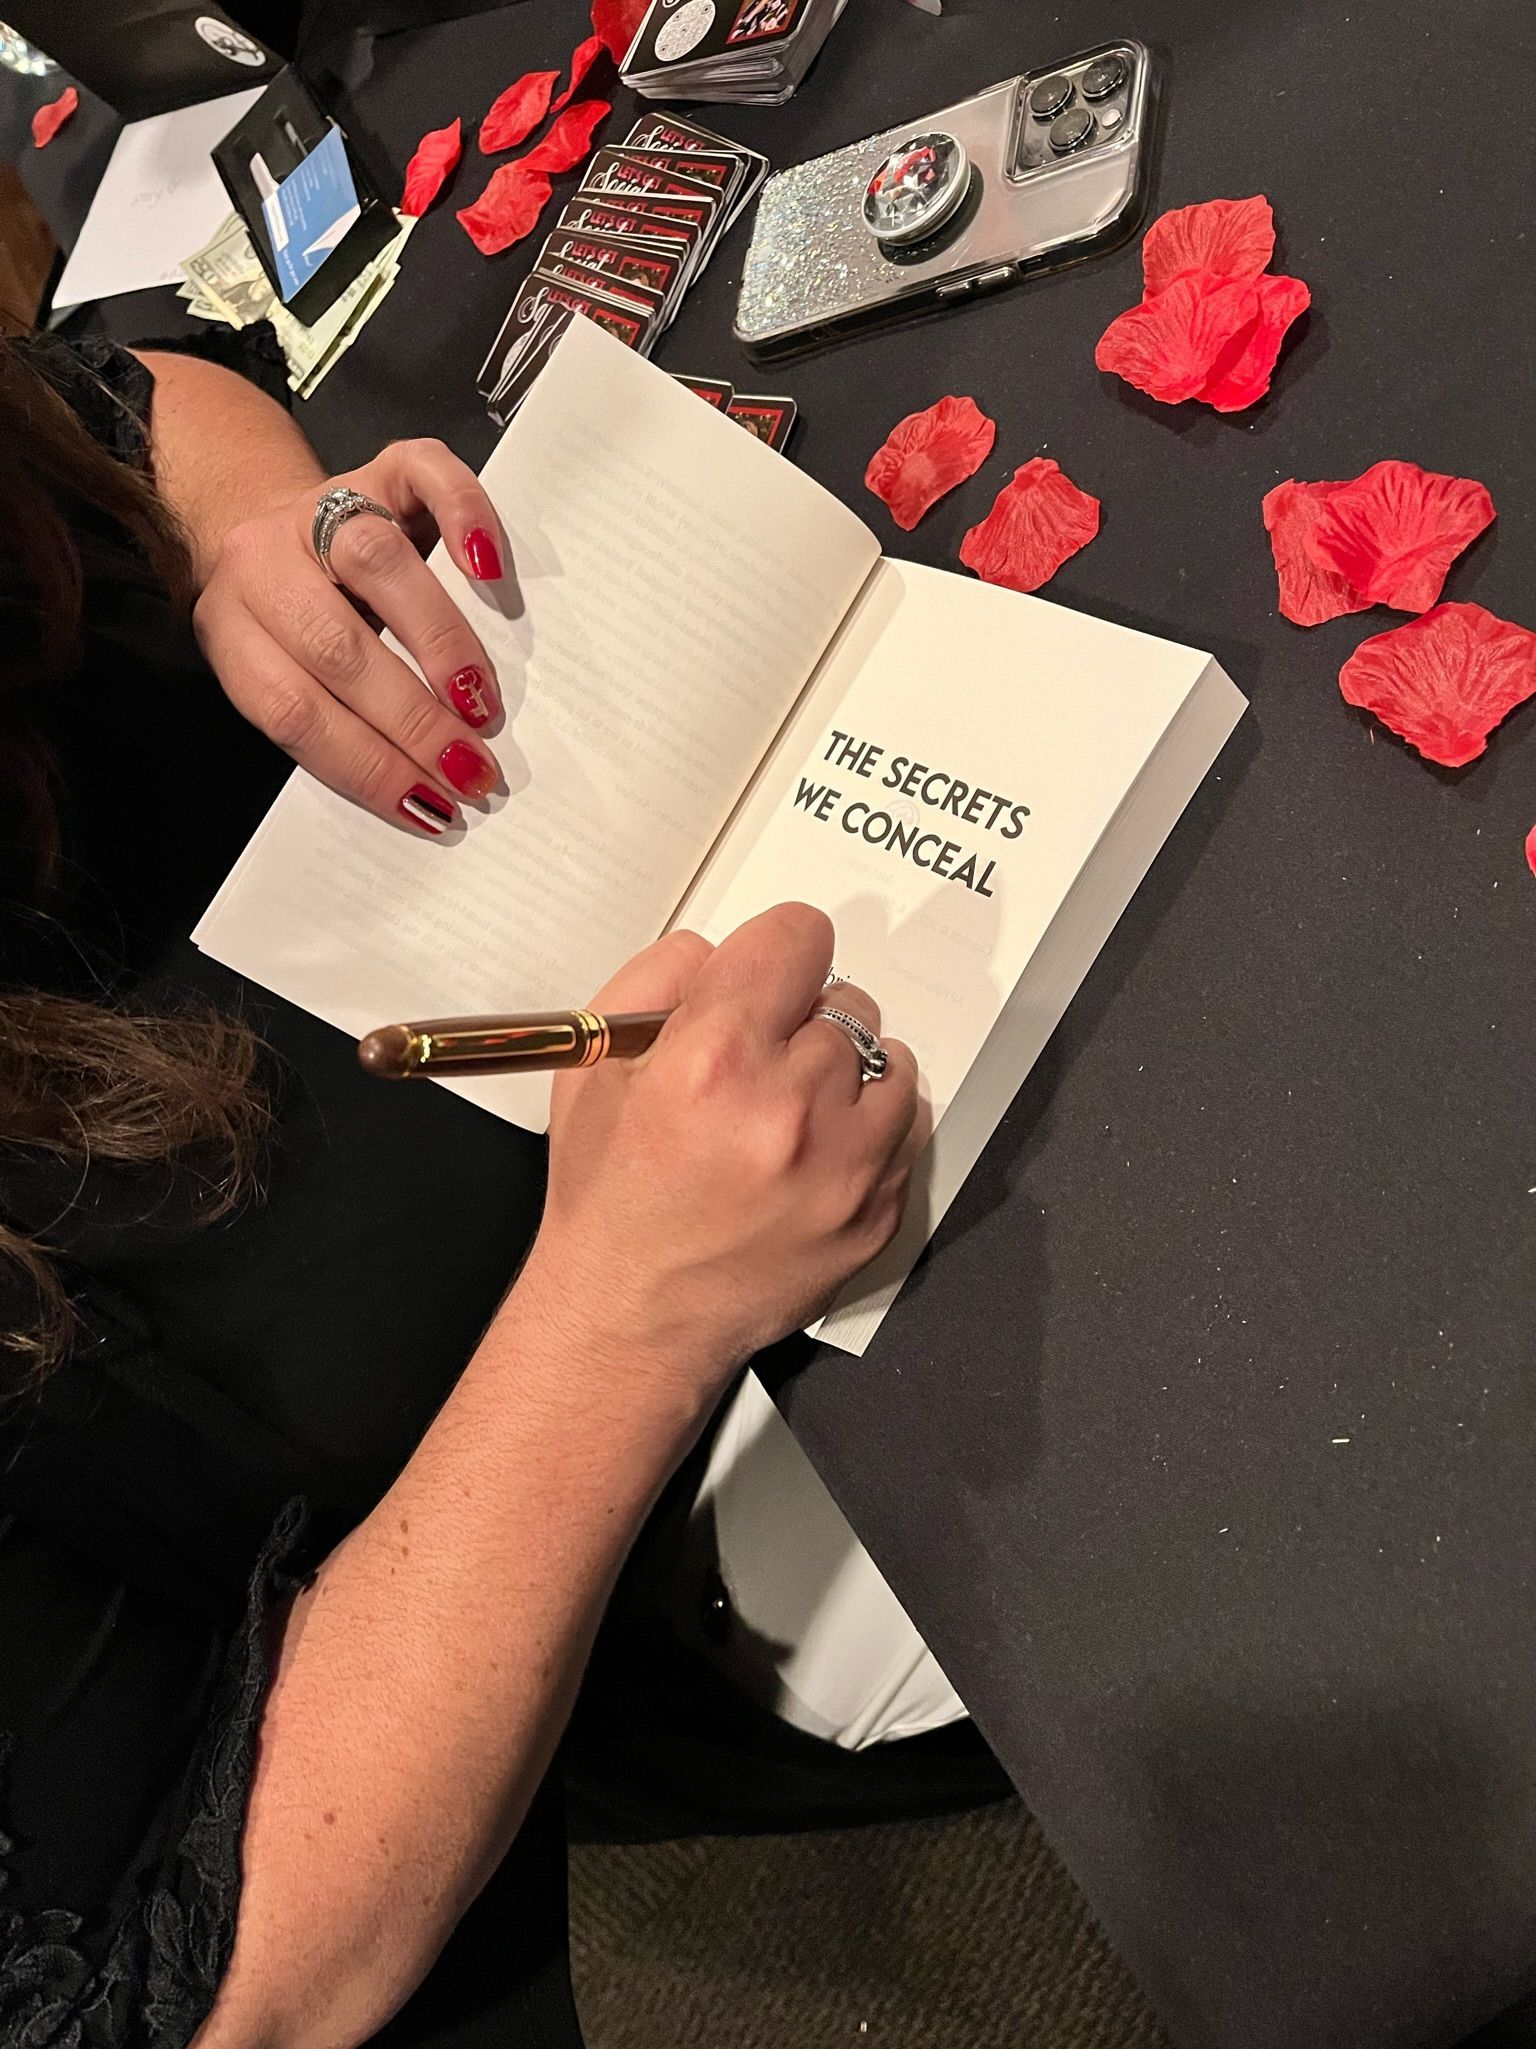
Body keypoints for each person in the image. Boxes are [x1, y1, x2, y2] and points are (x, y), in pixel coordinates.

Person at [0, 331, 1000, 2049]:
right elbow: (191, 1999)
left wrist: (256, 527)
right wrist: (630, 1314)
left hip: (672, 1133)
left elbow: (118, 391)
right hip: (583, 1533)